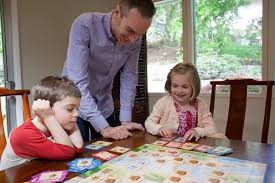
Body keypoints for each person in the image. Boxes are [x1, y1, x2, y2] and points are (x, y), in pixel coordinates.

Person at [62, 0, 156, 141]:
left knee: (110, 154)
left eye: (140, 34)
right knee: (77, 156)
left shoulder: (135, 39)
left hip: (104, 104)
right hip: (73, 103)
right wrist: (103, 128)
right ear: (117, 12)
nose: (133, 40)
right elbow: (77, 82)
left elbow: (129, 75)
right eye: (130, 30)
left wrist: (125, 120)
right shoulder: (85, 25)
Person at [0, 76, 84, 170]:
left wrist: (71, 118)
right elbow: (68, 152)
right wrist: (48, 117)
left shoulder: (57, 125)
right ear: (46, 108)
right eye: (70, 109)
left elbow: (78, 147)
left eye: (77, 108)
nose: (77, 113)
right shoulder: (23, 134)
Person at [145, 63, 225, 142]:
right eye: (175, 86)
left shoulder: (201, 104)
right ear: (170, 85)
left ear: (194, 87)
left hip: (193, 147)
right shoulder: (163, 103)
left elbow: (212, 129)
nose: (179, 91)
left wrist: (197, 131)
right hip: (169, 147)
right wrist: (158, 129)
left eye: (185, 87)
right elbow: (149, 123)